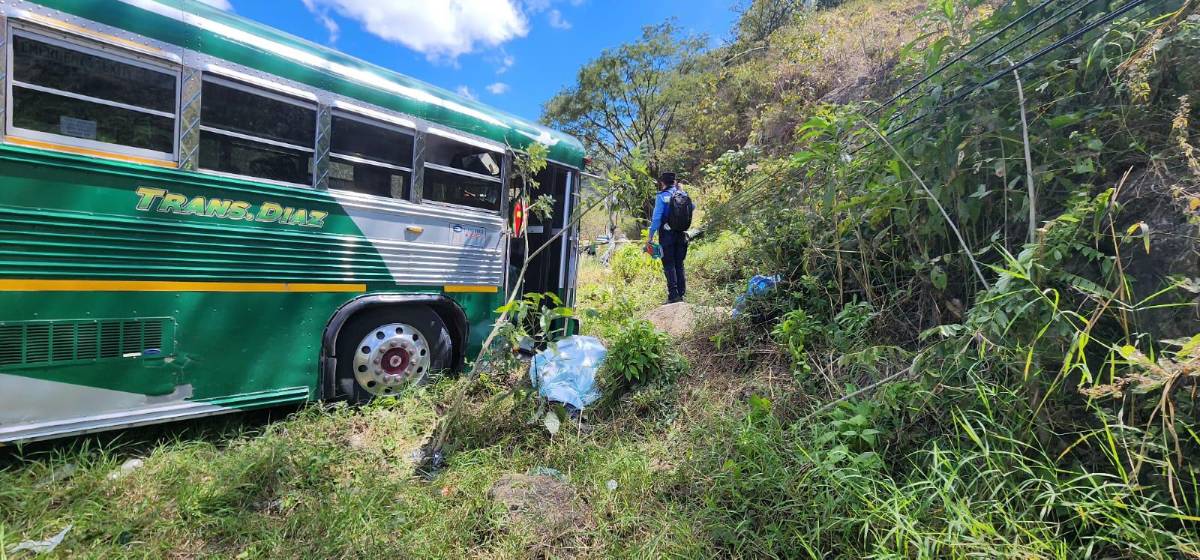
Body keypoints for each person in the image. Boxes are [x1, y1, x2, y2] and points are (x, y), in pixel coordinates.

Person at [646, 172, 694, 304]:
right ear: (674, 181)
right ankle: (682, 294)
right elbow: (692, 207)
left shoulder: (662, 196)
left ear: (662, 183)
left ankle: (673, 296)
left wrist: (650, 237)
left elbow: (656, 219)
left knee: (668, 264)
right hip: (681, 234)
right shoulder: (683, 194)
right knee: (679, 264)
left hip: (667, 235)